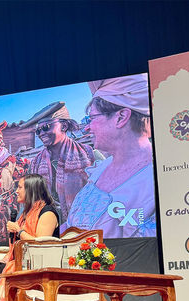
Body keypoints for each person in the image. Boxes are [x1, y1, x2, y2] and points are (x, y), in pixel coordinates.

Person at [66, 74, 156, 238]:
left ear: (121, 117)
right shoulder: (100, 169)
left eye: (91, 118)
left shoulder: (157, 178)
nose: (87, 128)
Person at [23, 102, 94, 222]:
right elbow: (30, 197)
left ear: (64, 126)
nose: (41, 134)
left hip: (83, 225)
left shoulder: (88, 154)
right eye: (38, 131)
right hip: (48, 226)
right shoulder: (35, 163)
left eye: (46, 127)